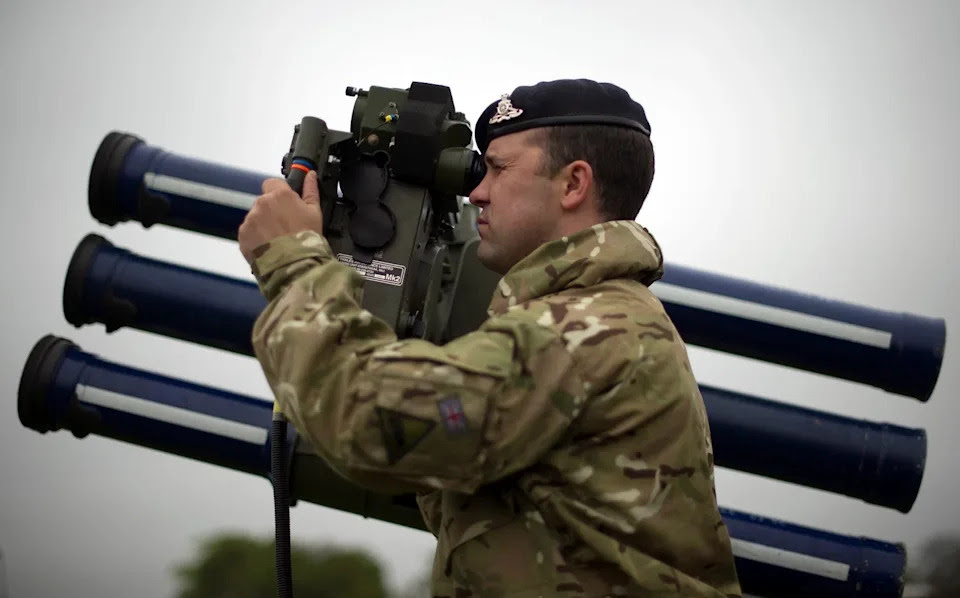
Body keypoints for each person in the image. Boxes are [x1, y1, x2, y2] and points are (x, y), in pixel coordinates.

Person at [238, 79, 742, 597]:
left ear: (573, 184)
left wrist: (292, 261)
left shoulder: (587, 331)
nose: (476, 191)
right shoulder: (599, 318)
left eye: (498, 168)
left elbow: (375, 425)